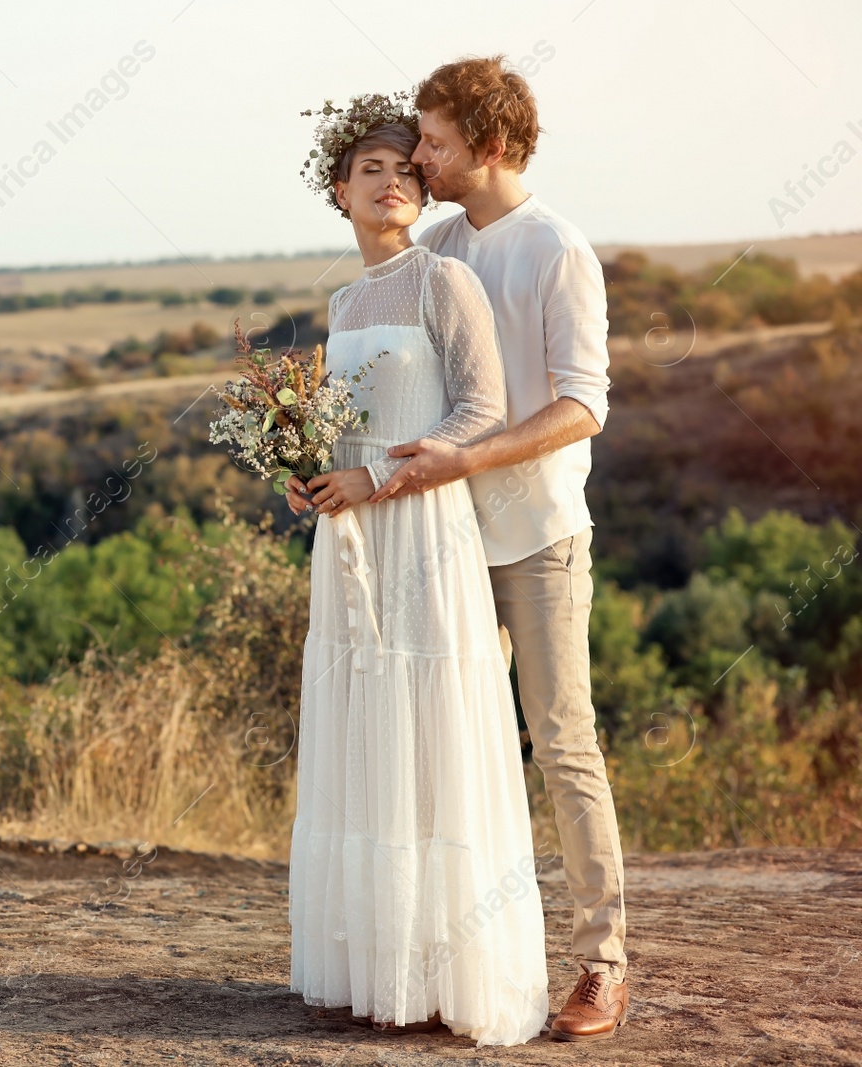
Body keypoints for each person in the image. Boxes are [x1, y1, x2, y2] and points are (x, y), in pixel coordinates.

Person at [363, 55, 630, 1042]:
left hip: (538, 537)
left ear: (494, 145)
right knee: (447, 748)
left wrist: (467, 453)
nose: (419, 158)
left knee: (561, 744)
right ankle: (456, 961)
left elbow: (582, 404)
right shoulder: (433, 242)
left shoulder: (555, 248)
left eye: (433, 142)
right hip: (442, 536)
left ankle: (601, 964)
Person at [284, 93, 549, 1047]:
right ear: (340, 192)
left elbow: (482, 412)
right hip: (351, 540)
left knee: (430, 728)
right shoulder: (344, 302)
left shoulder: (444, 282)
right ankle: (376, 965)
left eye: (407, 167)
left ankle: (452, 969)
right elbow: (344, 425)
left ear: (424, 182)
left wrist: (375, 477)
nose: (393, 181)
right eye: (370, 170)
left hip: (424, 534)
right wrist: (314, 478)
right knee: (369, 731)